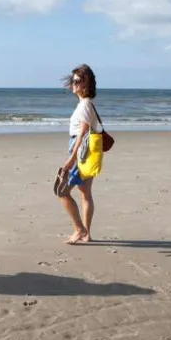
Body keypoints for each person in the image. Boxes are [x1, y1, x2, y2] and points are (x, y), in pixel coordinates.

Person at [57, 64, 99, 244]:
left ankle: (79, 229)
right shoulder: (85, 104)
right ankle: (86, 234)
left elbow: (82, 134)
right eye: (72, 81)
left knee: (62, 192)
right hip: (86, 151)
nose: (72, 84)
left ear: (85, 83)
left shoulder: (85, 105)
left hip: (80, 150)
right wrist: (76, 82)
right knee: (85, 194)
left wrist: (71, 158)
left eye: (76, 81)